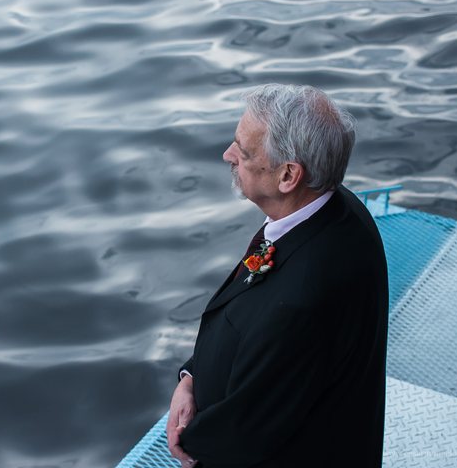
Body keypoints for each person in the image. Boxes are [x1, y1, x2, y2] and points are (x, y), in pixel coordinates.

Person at [166, 84, 388, 467]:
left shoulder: (303, 301)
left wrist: (189, 440)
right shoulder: (337, 208)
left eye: (244, 151)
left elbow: (245, 433)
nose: (228, 155)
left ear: (288, 175)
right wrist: (191, 378)